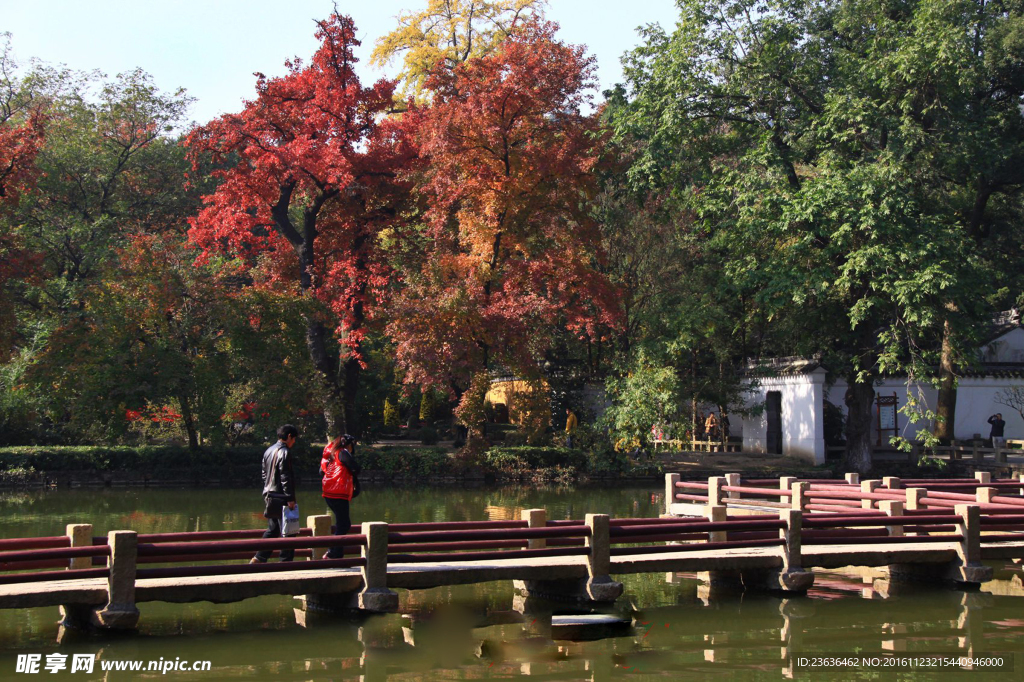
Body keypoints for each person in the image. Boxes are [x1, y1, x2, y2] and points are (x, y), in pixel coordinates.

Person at [251, 424, 299, 564]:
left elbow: (264, 473)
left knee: (273, 529)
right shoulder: (285, 452)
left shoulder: (268, 450)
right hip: (282, 496)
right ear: (289, 436)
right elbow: (285, 476)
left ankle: (259, 557)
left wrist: (268, 489)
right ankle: (285, 562)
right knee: (289, 530)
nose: (294, 442)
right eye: (294, 439)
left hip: (269, 494)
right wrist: (290, 498)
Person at [321, 434, 361, 559]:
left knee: (342, 523)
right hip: (338, 493)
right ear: (348, 444)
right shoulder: (342, 453)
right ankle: (332, 552)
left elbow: (320, 471)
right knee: (344, 525)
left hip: (328, 493)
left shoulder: (330, 455)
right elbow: (355, 467)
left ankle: (336, 553)